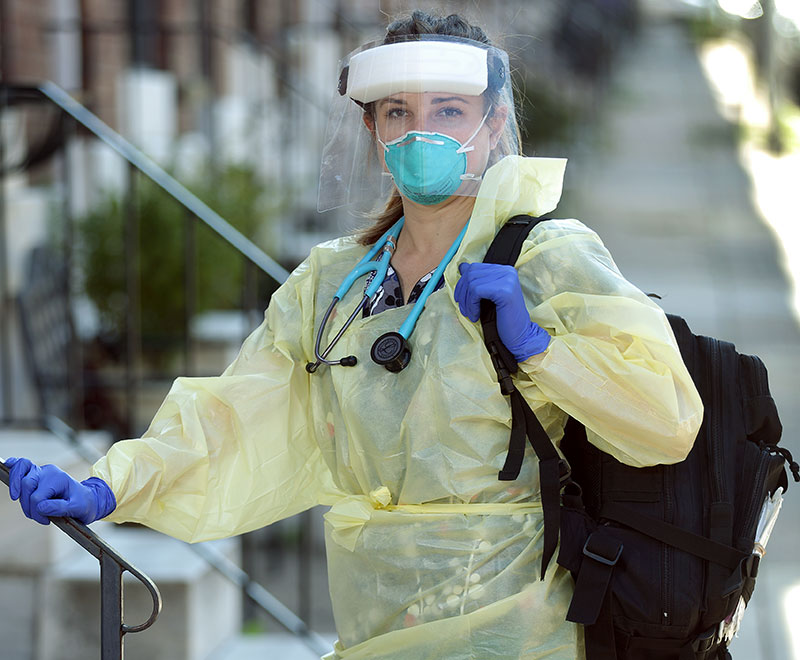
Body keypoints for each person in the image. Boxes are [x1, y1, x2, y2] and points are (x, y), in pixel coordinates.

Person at [4, 11, 704, 660]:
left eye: (450, 111)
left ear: (493, 127)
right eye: (398, 111)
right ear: (373, 128)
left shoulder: (547, 258)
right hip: (374, 620)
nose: (421, 132)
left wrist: (540, 348)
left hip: (511, 627)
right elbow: (232, 416)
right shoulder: (333, 283)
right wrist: (110, 485)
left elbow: (667, 419)